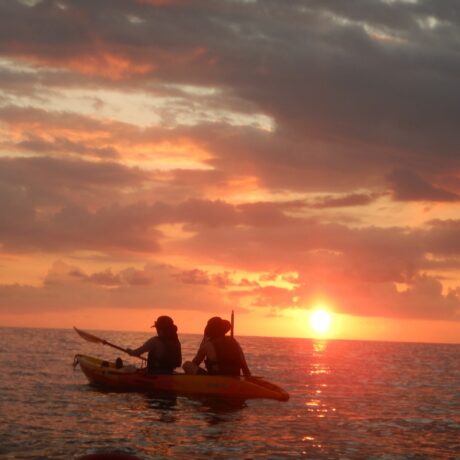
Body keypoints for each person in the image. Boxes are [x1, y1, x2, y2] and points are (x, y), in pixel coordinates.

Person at [183, 316, 251, 377]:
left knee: (187, 364)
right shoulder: (234, 342)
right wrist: (247, 377)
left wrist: (203, 342)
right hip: (234, 376)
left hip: (216, 377)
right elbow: (244, 364)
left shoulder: (207, 344)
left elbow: (196, 362)